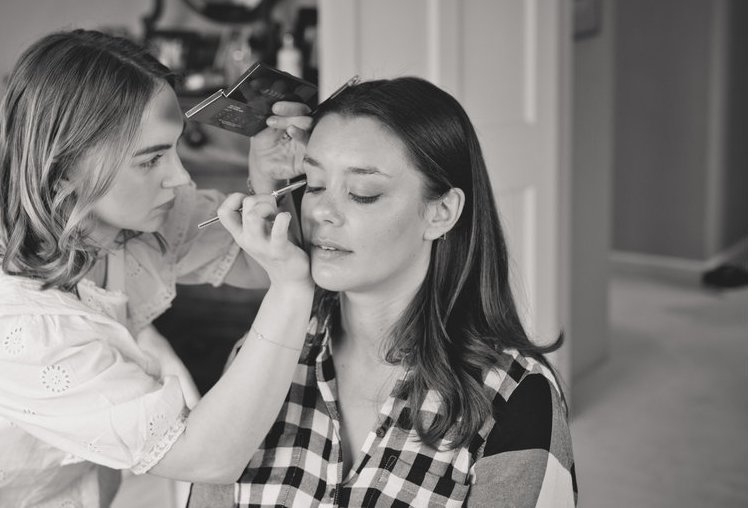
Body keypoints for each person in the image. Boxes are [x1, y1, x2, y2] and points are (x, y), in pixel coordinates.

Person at [0, 29, 316, 507]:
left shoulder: (132, 221)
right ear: (64, 167)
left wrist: (268, 178)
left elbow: (256, 267)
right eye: (150, 160)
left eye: (173, 149)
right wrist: (291, 292)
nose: (180, 176)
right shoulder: (13, 319)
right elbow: (208, 459)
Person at [192, 77, 577, 507]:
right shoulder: (259, 359)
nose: (320, 211)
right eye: (314, 184)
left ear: (441, 212)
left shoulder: (515, 398)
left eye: (363, 193)